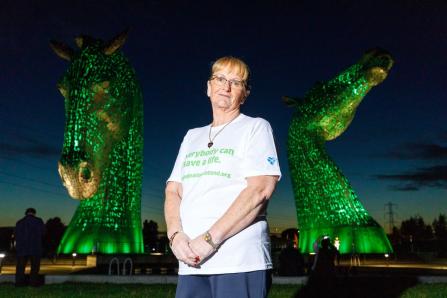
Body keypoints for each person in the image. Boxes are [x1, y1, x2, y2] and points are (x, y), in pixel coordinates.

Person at [165, 56, 281, 298]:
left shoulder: (256, 127)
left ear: (245, 93)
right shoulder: (192, 136)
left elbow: (260, 190)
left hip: (239, 262)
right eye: (220, 78)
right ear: (208, 87)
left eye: (236, 82)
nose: (226, 87)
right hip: (190, 262)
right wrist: (175, 236)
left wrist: (209, 240)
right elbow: (173, 191)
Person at [15, 208, 45, 287]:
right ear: (34, 213)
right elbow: (43, 233)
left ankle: (19, 284)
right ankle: (33, 283)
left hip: (22, 249)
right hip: (35, 248)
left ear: (26, 213)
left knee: (20, 268)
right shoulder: (39, 221)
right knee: (35, 268)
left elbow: (16, 235)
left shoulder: (19, 222)